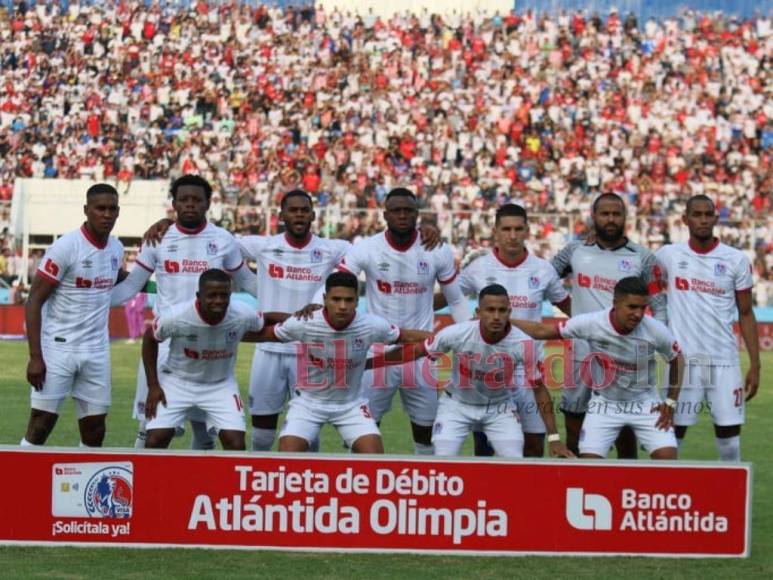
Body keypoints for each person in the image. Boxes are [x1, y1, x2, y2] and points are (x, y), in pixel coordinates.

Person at [238, 189, 442, 452]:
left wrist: (418, 232)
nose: (299, 215)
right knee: (263, 434)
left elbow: (380, 244)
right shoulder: (263, 245)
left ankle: (318, 485)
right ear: (281, 215)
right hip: (274, 347)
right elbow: (218, 244)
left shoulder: (334, 248)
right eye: (293, 210)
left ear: (313, 214)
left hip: (309, 348)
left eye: (304, 210)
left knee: (309, 440)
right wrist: (258, 293)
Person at [111, 175, 258, 449]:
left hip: (208, 342)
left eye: (196, 200)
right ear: (174, 203)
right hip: (165, 343)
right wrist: (95, 299)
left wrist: (292, 303)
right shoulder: (157, 239)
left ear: (207, 204)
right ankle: (143, 485)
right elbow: (132, 284)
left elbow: (248, 281)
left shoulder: (223, 239)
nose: (190, 205)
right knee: (148, 426)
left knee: (204, 431)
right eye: (184, 200)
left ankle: (200, 490)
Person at [325, 188, 470, 455]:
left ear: (417, 214)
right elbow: (338, 283)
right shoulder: (367, 248)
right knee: (362, 430)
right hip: (376, 353)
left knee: (426, 431)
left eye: (408, 210)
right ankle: (356, 483)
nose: (402, 215)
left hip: (421, 354)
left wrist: (473, 340)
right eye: (396, 210)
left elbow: (457, 300)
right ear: (385, 214)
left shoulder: (437, 249)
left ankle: (424, 486)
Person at [375, 284, 574, 458]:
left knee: (514, 461)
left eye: (502, 310)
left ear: (509, 313)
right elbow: (416, 351)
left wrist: (554, 438)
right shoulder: (457, 333)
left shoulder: (524, 344)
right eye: (490, 310)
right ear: (478, 312)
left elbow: (539, 390)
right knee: (442, 459)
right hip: (456, 405)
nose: (496, 316)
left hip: (500, 408)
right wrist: (370, 364)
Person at [435, 204, 571, 457]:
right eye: (506, 229)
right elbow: (449, 298)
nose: (512, 235)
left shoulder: (543, 269)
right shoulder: (477, 268)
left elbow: (568, 306)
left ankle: (523, 493)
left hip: (528, 371)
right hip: (490, 371)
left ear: (527, 230)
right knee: (484, 446)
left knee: (532, 444)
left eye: (518, 229)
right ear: (495, 231)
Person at [512, 277, 684, 460]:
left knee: (667, 460)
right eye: (632, 307)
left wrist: (671, 401)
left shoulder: (655, 330)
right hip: (604, 404)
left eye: (643, 308)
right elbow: (541, 331)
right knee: (590, 466)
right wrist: (506, 321)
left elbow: (678, 359)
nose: (638, 314)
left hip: (645, 403)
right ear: (615, 303)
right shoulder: (592, 323)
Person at [551, 193, 667, 458]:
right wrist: (570, 309)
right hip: (581, 354)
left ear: (625, 217)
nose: (611, 219)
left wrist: (654, 340)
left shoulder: (643, 257)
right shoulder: (575, 250)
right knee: (574, 425)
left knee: (626, 430)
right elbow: (544, 277)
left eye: (616, 214)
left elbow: (659, 304)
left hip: (625, 355)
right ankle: (575, 488)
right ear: (594, 217)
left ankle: (626, 491)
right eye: (605, 214)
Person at [269, 271, 432, 453]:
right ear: (325, 299)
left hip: (350, 405)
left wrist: (444, 340)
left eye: (349, 300)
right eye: (336, 299)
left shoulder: (371, 325)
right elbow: (263, 333)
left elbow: (408, 336)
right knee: (287, 455)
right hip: (308, 404)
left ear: (357, 301)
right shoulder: (304, 322)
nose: (342, 306)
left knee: (375, 458)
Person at [655, 195, 760, 461]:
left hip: (724, 361)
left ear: (715, 218)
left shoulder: (736, 259)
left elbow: (746, 313)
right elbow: (642, 277)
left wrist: (755, 364)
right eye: (697, 214)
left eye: (708, 214)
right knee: (670, 438)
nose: (703, 219)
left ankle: (730, 498)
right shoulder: (668, 255)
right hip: (682, 363)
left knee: (730, 441)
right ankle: (666, 495)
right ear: (685, 219)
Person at [21, 183, 124, 447]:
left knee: (95, 430)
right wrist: (35, 357)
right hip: (58, 348)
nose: (106, 214)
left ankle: (84, 488)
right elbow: (34, 301)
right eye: (100, 208)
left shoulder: (116, 248)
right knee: (41, 424)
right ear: (86, 210)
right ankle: (18, 485)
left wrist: (162, 282)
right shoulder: (65, 247)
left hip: (97, 350)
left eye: (112, 209)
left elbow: (121, 278)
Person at [143, 269, 285, 450]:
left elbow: (266, 319)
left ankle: (229, 479)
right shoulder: (176, 317)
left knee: (236, 443)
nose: (218, 300)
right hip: (177, 381)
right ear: (198, 295)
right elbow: (149, 338)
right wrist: (153, 385)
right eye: (211, 295)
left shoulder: (241, 313)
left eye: (224, 295)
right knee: (155, 439)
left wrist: (302, 318)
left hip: (220, 384)